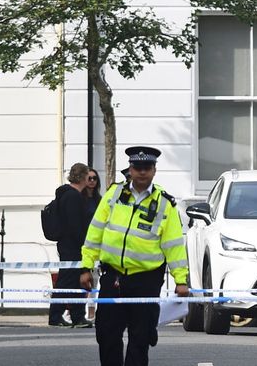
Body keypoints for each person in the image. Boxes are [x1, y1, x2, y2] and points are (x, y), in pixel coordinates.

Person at [80, 146, 189, 366]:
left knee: (141, 338)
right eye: (137, 167)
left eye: (146, 167)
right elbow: (95, 231)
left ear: (154, 170)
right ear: (130, 169)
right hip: (113, 276)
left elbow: (174, 245)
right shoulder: (114, 194)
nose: (141, 172)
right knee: (107, 334)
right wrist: (86, 266)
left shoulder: (165, 204)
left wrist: (181, 280)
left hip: (146, 280)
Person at [48, 162, 94, 328]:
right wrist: (84, 243)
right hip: (73, 245)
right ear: (82, 176)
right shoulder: (73, 197)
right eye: (88, 176)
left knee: (74, 281)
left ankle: (77, 315)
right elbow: (76, 225)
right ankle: (56, 315)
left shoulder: (67, 195)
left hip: (67, 244)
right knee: (67, 280)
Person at [82, 168, 102, 321]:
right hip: (81, 242)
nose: (92, 181)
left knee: (94, 279)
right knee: (78, 277)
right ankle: (73, 309)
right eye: (89, 178)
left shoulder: (100, 200)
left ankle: (91, 311)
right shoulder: (78, 199)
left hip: (96, 243)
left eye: (94, 178)